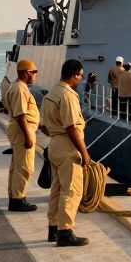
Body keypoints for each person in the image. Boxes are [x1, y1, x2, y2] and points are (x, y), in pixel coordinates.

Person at [41, 59, 90, 247]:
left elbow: (44, 126)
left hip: (54, 144)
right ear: (74, 75)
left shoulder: (51, 93)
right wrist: (84, 152)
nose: (81, 79)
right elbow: (71, 127)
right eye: (80, 76)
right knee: (71, 190)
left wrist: (56, 134)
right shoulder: (68, 95)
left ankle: (53, 229)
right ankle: (65, 232)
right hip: (68, 147)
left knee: (57, 189)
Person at [4, 59, 42, 212]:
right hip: (22, 131)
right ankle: (17, 200)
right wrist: (27, 136)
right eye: (34, 72)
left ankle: (16, 197)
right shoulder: (20, 89)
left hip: (20, 129)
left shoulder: (17, 86)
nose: (35, 75)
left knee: (17, 165)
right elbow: (20, 115)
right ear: (27, 72)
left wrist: (40, 125)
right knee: (25, 167)